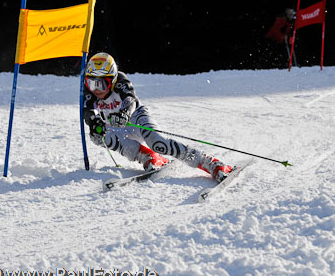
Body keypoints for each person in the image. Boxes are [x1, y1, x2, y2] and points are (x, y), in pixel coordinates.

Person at [83, 52, 234, 183]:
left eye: (102, 84)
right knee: (97, 136)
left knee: (159, 144)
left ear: (113, 79)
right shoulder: (87, 90)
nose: (96, 89)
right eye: (92, 83)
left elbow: (131, 101)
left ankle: (211, 163)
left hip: (135, 118)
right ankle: (148, 157)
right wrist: (94, 121)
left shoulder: (121, 81)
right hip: (116, 126)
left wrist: (124, 114)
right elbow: (87, 111)